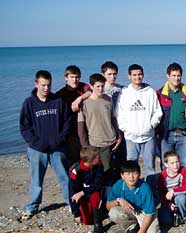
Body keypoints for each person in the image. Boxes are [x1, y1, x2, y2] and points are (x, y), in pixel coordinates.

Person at [20, 70, 71, 220]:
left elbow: (67, 123)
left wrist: (59, 140)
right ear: (36, 83)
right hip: (37, 150)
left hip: (57, 149)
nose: (46, 88)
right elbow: (24, 127)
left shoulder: (58, 101)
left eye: (48, 85)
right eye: (43, 85)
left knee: (64, 178)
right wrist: (35, 142)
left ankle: (71, 203)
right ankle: (32, 206)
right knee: (36, 180)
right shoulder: (29, 103)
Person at [116, 64, 162, 183]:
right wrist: (127, 129)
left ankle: (150, 193)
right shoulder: (124, 93)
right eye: (134, 75)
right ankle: (133, 193)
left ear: (143, 75)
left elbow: (158, 112)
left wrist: (151, 125)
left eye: (140, 74)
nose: (137, 77)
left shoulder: (150, 91)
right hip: (131, 137)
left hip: (148, 136)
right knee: (131, 167)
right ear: (129, 76)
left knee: (150, 167)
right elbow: (119, 115)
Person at [78, 73, 121, 195]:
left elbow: (113, 119)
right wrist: (85, 146)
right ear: (91, 86)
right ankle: (96, 198)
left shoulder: (108, 99)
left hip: (109, 142)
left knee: (108, 172)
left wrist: (118, 136)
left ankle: (108, 198)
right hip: (93, 144)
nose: (100, 89)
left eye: (102, 86)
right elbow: (81, 127)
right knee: (94, 173)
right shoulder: (85, 103)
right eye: (97, 86)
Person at [107, 161, 161, 233]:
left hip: (144, 212)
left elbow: (149, 213)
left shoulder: (145, 188)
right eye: (127, 174)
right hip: (131, 210)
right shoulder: (119, 185)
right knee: (113, 212)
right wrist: (119, 200)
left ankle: (143, 226)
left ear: (139, 175)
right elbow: (108, 206)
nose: (131, 177)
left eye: (134, 173)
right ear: (122, 175)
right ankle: (132, 225)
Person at [56, 65, 91, 166]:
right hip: (70, 132)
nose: (75, 80)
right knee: (73, 161)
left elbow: (91, 91)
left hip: (85, 129)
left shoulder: (83, 87)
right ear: (66, 78)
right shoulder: (60, 94)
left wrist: (79, 99)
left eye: (77, 77)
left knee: (87, 159)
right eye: (72, 77)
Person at [156, 63, 186, 167]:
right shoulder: (159, 94)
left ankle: (183, 183)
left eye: (178, 76)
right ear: (168, 76)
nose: (176, 78)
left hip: (183, 135)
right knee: (166, 165)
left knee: (183, 165)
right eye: (173, 76)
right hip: (166, 135)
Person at [68, 146, 105, 233]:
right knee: (87, 221)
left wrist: (83, 192)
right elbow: (72, 192)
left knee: (96, 195)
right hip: (81, 196)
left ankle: (98, 224)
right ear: (90, 161)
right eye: (98, 157)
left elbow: (98, 185)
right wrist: (76, 213)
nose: (100, 159)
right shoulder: (75, 172)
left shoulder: (99, 166)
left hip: (93, 192)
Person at [101, 61, 126, 180]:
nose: (112, 77)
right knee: (106, 164)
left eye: (114, 74)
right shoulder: (99, 90)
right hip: (105, 130)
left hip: (121, 128)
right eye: (109, 74)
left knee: (121, 161)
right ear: (103, 74)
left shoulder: (122, 89)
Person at [158, 151, 186, 226]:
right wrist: (168, 203)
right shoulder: (163, 175)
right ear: (166, 164)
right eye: (172, 163)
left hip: (180, 197)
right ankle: (175, 214)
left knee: (181, 199)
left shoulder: (184, 170)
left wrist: (173, 191)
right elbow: (161, 192)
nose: (176, 165)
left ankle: (184, 216)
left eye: (177, 162)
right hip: (168, 200)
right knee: (166, 221)